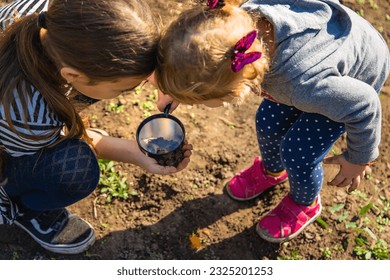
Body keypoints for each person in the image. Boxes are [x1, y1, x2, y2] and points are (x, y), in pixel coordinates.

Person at [154, 0, 390, 243]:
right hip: (316, 62)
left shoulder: (305, 86)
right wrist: (179, 85)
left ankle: (305, 202)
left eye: (201, 101)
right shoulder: (234, 27)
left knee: (298, 154)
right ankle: (273, 171)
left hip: (354, 77)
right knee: (267, 122)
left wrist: (359, 159)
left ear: (237, 91)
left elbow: (365, 105)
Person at [0, 0, 192, 254]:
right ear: (72, 76)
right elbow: (77, 137)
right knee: (75, 167)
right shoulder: (26, 116)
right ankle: (25, 206)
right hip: (9, 152)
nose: (135, 89)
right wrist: (133, 152)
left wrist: (158, 75)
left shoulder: (55, 17)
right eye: (124, 88)